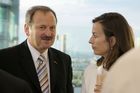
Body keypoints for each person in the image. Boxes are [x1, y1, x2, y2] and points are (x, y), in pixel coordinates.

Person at [0, 5, 73, 93]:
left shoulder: (64, 60)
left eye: (52, 28)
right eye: (42, 27)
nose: (48, 33)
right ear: (27, 29)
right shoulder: (5, 59)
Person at [81, 12, 134, 93]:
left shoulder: (134, 73)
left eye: (95, 35)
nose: (90, 41)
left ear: (112, 41)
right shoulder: (90, 71)